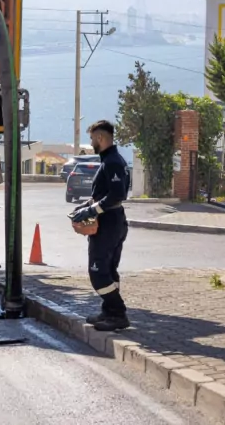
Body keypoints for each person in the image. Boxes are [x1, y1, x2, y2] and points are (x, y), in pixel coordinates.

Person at [71, 120, 131, 331]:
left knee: (97, 272)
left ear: (100, 138)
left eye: (92, 139)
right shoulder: (112, 160)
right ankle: (109, 311)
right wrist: (86, 205)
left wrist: (92, 210)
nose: (91, 143)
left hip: (108, 224)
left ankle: (118, 313)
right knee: (109, 270)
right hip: (113, 221)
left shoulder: (112, 162)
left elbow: (116, 195)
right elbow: (104, 193)